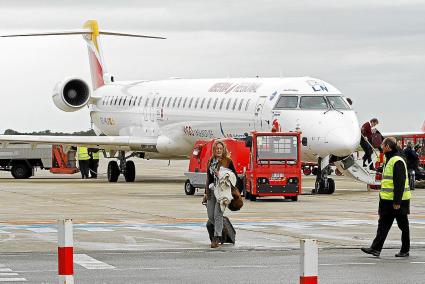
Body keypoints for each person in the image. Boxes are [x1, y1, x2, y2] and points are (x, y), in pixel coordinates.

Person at [361, 137, 411, 258]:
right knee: (383, 225)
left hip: (398, 201)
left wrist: (397, 201)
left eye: (383, 144)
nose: (381, 146)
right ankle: (375, 248)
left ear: (388, 147)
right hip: (387, 200)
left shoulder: (397, 160)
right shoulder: (389, 159)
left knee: (403, 226)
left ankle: (405, 250)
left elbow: (400, 182)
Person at [202, 140, 239, 248]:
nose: (218, 150)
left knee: (217, 214)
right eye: (217, 149)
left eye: (220, 149)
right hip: (211, 191)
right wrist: (206, 193)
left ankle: (216, 238)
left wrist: (222, 175)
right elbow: (208, 178)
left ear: (223, 150)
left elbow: (234, 176)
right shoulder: (210, 161)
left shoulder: (227, 161)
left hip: (222, 192)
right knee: (210, 215)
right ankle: (224, 229)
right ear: (214, 150)